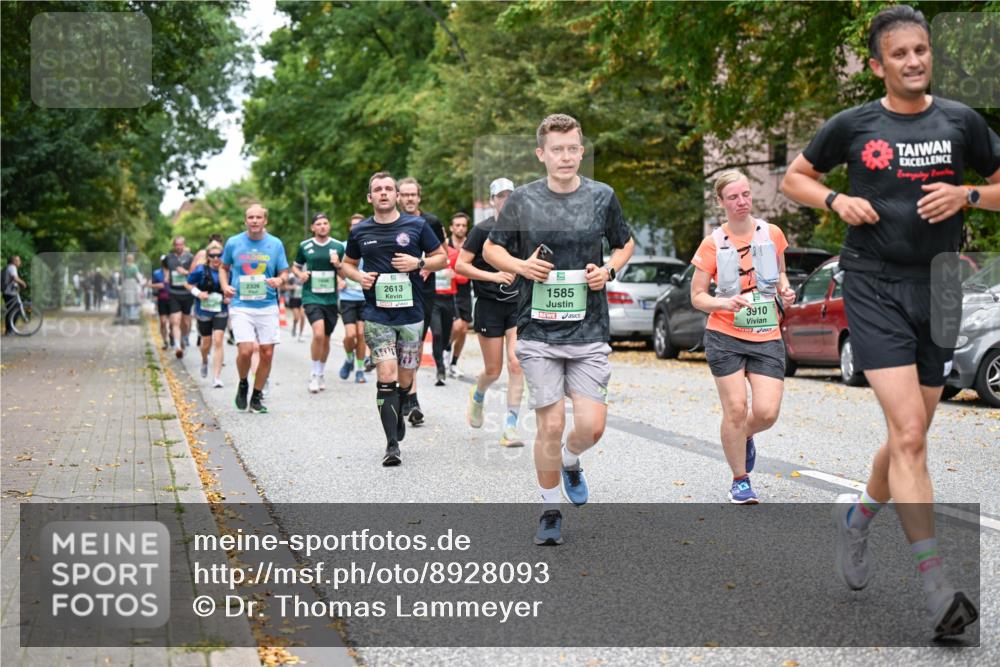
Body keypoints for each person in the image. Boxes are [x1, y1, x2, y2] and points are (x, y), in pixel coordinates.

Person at [780, 4, 999, 639]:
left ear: (931, 54)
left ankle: (856, 518)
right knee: (908, 433)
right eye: (899, 53)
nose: (913, 61)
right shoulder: (854, 125)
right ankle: (937, 589)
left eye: (921, 50)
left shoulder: (962, 122)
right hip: (873, 285)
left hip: (940, 286)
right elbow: (796, 176)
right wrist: (835, 199)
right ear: (878, 65)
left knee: (913, 435)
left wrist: (970, 195)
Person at [483, 113, 635, 546]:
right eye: (557, 150)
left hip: (589, 330)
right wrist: (521, 266)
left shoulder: (602, 197)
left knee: (592, 427)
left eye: (572, 149)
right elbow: (492, 249)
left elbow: (625, 243)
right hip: (538, 330)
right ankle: (550, 509)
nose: (565, 156)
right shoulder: (523, 201)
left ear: (581, 152)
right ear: (541, 155)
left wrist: (606, 269)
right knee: (549, 425)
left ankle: (571, 460)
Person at [690, 170, 796, 504]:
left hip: (766, 333)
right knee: (735, 409)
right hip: (725, 334)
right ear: (721, 202)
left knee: (766, 412)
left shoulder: (772, 233)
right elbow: (697, 296)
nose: (742, 202)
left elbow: (779, 273)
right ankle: (740, 480)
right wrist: (723, 302)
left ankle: (743, 435)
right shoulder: (713, 243)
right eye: (733, 197)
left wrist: (786, 290)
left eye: (746, 194)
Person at [342, 172, 448, 466]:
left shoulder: (417, 226)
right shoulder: (360, 231)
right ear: (370, 197)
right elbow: (347, 265)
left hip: (412, 315)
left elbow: (443, 258)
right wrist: (359, 276)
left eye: (389, 188)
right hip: (377, 316)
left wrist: (419, 262)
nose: (384, 193)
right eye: (378, 189)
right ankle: (391, 444)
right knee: (385, 375)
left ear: (397, 195)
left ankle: (402, 402)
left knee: (404, 377)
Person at [456, 179, 526, 447]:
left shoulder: (524, 230)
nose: (506, 200)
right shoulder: (481, 230)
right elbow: (461, 266)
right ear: (492, 200)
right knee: (493, 370)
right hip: (489, 306)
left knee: (517, 362)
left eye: (511, 195)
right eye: (501, 196)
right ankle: (478, 393)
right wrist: (494, 276)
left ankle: (510, 426)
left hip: (517, 305)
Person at [220, 204, 289, 414]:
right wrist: (224, 286)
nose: (255, 221)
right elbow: (224, 268)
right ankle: (243, 383)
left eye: (259, 217)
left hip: (267, 305)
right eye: (251, 217)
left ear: (265, 220)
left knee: (267, 353)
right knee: (246, 350)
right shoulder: (234, 242)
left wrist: (279, 280)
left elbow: (284, 272)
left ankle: (257, 395)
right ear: (245, 220)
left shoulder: (275, 244)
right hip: (241, 305)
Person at [398, 177, 446, 425]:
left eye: (412, 195)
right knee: (404, 346)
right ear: (398, 197)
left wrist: (425, 264)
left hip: (423, 293)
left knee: (413, 345)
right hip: (395, 295)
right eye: (404, 194)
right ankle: (411, 398)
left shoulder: (431, 222)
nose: (409, 199)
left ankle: (408, 395)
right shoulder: (390, 223)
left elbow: (442, 253)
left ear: (419, 197)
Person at [292, 212, 346, 393]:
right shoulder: (305, 246)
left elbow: (345, 273)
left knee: (327, 338)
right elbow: (296, 266)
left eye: (325, 223)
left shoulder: (338, 246)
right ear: (313, 227)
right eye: (319, 224)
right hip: (311, 296)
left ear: (328, 226)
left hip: (330, 298)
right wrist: (300, 275)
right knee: (318, 334)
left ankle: (321, 372)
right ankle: (314, 374)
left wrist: (338, 265)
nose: (322, 226)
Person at [186, 241, 229, 387]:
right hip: (204, 310)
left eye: (219, 255)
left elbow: (234, 285)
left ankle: (216, 377)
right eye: (213, 255)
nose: (216, 258)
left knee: (218, 340)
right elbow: (188, 283)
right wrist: (198, 293)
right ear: (208, 256)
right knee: (206, 342)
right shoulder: (200, 270)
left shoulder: (227, 270)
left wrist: (229, 296)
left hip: (221, 309)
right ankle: (204, 359)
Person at [428, 222, 466, 385]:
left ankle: (444, 352)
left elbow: (464, 278)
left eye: (441, 234)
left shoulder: (453, 254)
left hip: (449, 300)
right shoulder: (427, 254)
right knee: (436, 333)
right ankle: (440, 369)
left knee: (445, 335)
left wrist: (454, 276)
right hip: (433, 299)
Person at [338, 213, 370, 383]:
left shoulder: (371, 245)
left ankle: (359, 369)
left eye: (359, 224)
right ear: (350, 228)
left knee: (361, 334)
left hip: (365, 297)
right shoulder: (343, 247)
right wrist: (338, 278)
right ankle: (349, 358)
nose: (356, 227)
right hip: (348, 298)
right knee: (350, 335)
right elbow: (336, 270)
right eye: (353, 225)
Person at [447, 212, 473, 378]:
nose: (460, 228)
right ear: (451, 227)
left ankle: (453, 363)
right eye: (457, 225)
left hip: (465, 291)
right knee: (456, 326)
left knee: (463, 329)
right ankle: (445, 348)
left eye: (463, 225)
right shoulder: (444, 245)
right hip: (447, 291)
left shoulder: (471, 245)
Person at [165, 236, 195, 358]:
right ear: (174, 246)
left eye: (181, 244)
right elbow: (165, 271)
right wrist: (166, 278)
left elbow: (196, 273)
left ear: (184, 245)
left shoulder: (191, 258)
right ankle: (177, 346)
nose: (179, 247)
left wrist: (186, 273)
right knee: (175, 320)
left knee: (186, 323)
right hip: (174, 293)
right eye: (176, 245)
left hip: (187, 293)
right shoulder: (169, 258)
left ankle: (183, 338)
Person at [3, 255, 28, 334]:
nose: (20, 262)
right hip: (9, 293)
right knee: (14, 311)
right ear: (14, 261)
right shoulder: (12, 267)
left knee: (12, 311)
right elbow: (14, 278)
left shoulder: (11, 267)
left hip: (9, 292)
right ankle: (10, 330)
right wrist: (23, 283)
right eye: (18, 260)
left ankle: (9, 330)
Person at [150, 256, 172, 348]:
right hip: (162, 299)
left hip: (173, 299)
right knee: (163, 322)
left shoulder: (173, 272)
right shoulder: (157, 273)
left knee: (172, 322)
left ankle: (172, 336)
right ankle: (165, 341)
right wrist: (158, 286)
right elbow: (151, 284)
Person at [121, 253, 144, 323]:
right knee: (133, 301)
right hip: (133, 283)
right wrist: (141, 282)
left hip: (126, 283)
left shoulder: (124, 267)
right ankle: (132, 316)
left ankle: (127, 316)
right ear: (132, 259)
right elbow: (137, 276)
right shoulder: (134, 267)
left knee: (126, 301)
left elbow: (122, 276)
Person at [286, 272, 306, 342]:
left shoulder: (305, 274)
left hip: (302, 299)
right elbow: (285, 286)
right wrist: (292, 287)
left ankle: (301, 334)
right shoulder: (291, 276)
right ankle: (294, 326)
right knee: (296, 317)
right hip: (294, 299)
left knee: (303, 316)